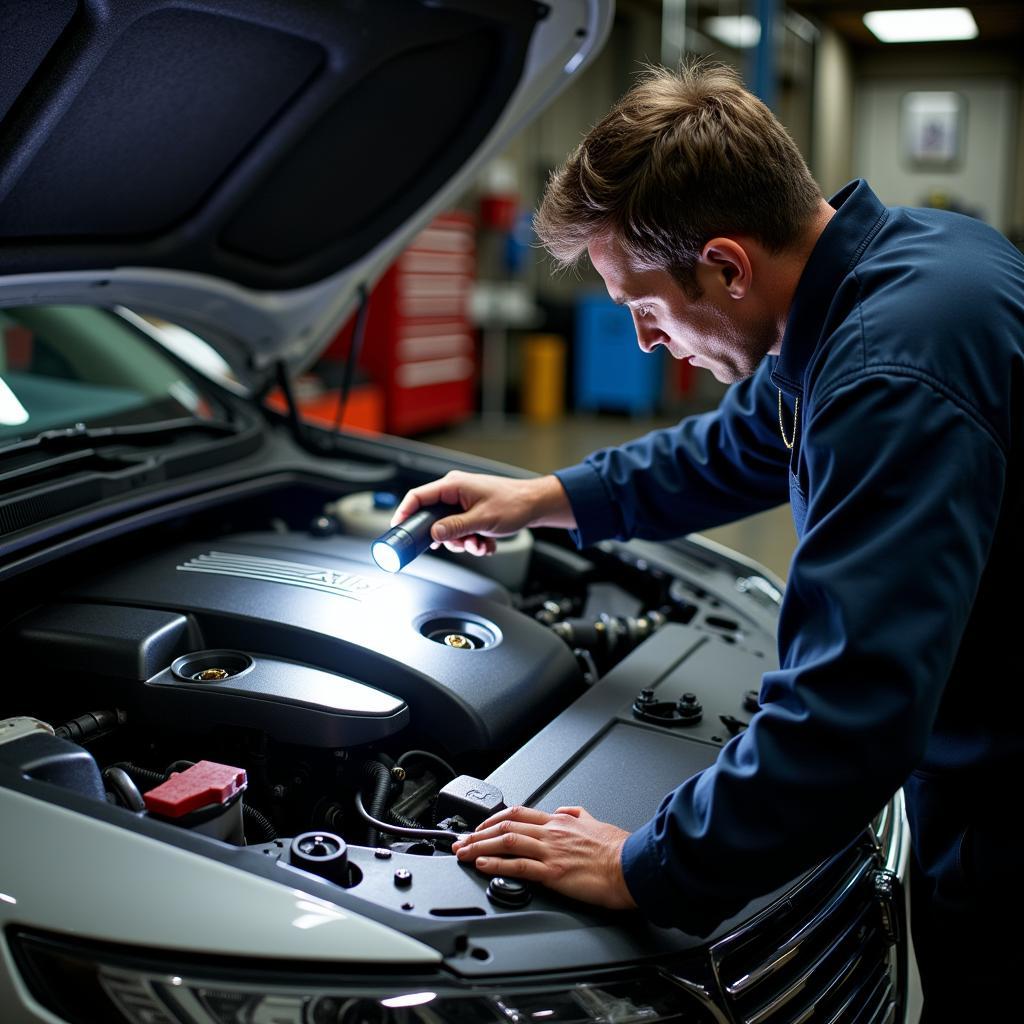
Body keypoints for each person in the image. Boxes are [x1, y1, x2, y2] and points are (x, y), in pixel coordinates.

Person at [393, 63, 1024, 1016]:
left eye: (645, 308)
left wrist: (644, 864)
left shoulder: (887, 371)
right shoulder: (895, 272)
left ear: (726, 265)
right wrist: (542, 496)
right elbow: (735, 446)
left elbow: (851, 715)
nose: (646, 342)